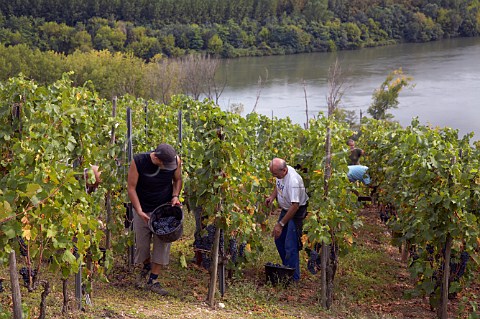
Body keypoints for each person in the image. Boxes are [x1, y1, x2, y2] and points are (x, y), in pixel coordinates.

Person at [127, 143, 182, 295]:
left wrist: (175, 196)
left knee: (162, 245)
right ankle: (146, 265)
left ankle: (153, 279)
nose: (169, 167)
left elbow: (177, 180)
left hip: (164, 209)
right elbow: (131, 187)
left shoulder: (175, 161)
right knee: (142, 246)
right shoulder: (138, 161)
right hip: (143, 208)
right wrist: (138, 211)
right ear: (156, 158)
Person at [265, 158, 308, 282]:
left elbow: (295, 206)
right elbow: (278, 184)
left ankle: (293, 278)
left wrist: (281, 224)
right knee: (279, 239)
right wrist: (272, 197)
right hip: (286, 208)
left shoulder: (293, 181)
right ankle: (287, 268)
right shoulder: (282, 171)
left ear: (284, 170)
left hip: (296, 211)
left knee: (291, 244)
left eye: (275, 174)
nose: (274, 176)